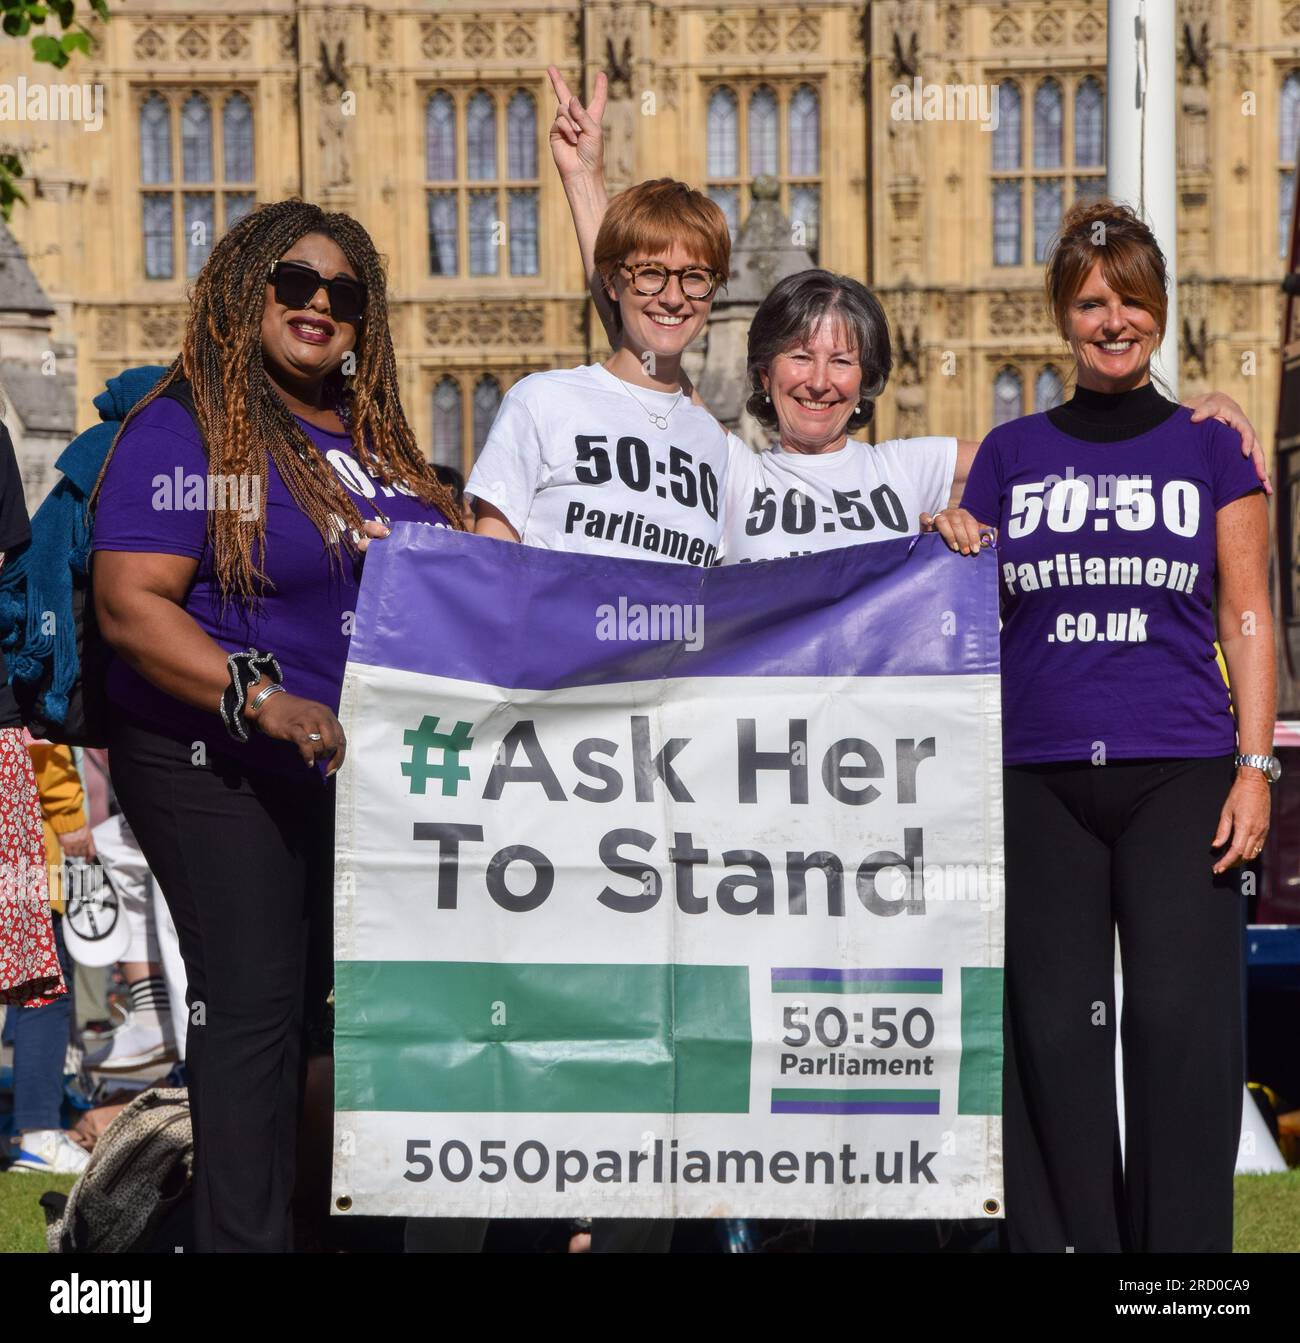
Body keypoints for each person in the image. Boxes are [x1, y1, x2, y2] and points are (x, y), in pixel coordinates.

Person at [90, 198, 464, 1251]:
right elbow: (133, 602)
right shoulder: (194, 425)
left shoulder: (375, 442)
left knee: (334, 1026)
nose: (319, 305)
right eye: (292, 282)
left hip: (356, 771)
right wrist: (260, 695)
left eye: (344, 294)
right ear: (241, 289)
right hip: (218, 757)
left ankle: (316, 1228)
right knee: (251, 1008)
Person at [928, 199, 1275, 1252]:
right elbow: (961, 614)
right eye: (1089, 302)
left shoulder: (1210, 443)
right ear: (1060, 317)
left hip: (1179, 769)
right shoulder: (1007, 451)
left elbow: (1247, 612)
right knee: (1049, 1036)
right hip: (1035, 777)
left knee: (1179, 1029)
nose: (1110, 319)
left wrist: (1256, 765)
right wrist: (944, 539)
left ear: (1158, 311)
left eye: (1128, 299)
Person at [547, 68, 1266, 568]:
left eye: (842, 360)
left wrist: (1185, 418)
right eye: (800, 357)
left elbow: (1062, 460)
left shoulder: (907, 469)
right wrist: (584, 179)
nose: (820, 381)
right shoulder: (731, 470)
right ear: (763, 374)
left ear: (867, 381)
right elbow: (640, 335)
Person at [4, 737, 90, 1174]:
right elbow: (41, 745)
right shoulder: (17, 669)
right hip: (19, 853)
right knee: (43, 992)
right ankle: (39, 1137)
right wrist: (71, 818)